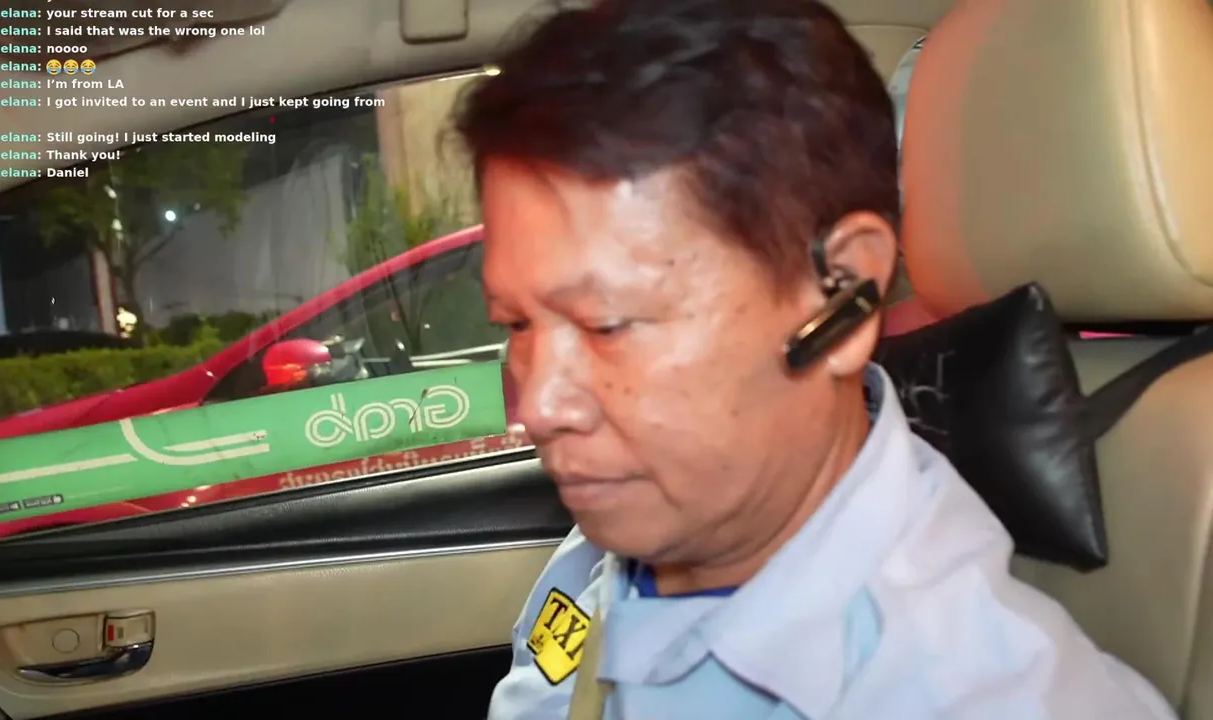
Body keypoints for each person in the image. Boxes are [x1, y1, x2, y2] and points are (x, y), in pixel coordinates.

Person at [453, 1, 1177, 717]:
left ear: (843, 289)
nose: (540, 406)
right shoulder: (652, 511)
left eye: (607, 324)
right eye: (516, 323)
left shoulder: (974, 697)